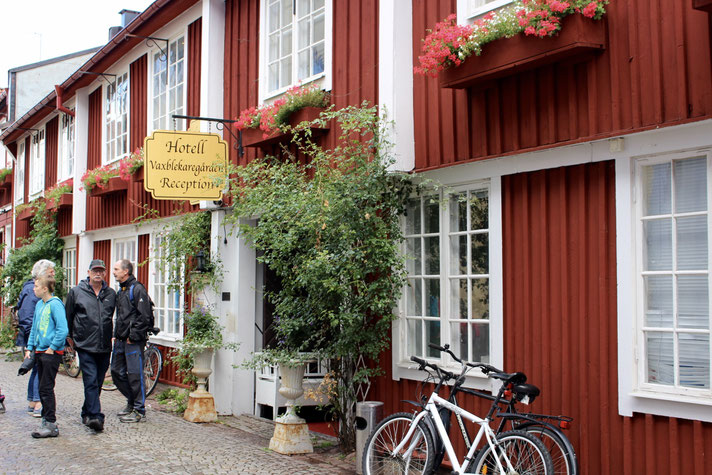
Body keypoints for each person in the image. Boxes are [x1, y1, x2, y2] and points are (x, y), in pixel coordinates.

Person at [65, 259, 116, 432]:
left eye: (101, 271)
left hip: (104, 345)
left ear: (104, 273)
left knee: (98, 381)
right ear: (88, 272)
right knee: (91, 380)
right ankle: (95, 416)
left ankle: (86, 411)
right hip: (85, 344)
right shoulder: (76, 292)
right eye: (95, 270)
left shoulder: (110, 294)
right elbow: (69, 316)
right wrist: (69, 339)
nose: (98, 273)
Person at [25, 275, 68, 438]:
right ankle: (46, 421)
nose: (33, 288)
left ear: (45, 289)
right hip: (39, 352)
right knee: (43, 388)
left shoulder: (55, 305)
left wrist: (52, 348)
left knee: (46, 388)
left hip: (51, 353)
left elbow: (62, 330)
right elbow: (34, 329)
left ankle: (50, 424)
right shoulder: (39, 305)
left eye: (36, 286)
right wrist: (30, 348)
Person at [111, 259, 152, 423]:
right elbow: (120, 316)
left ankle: (139, 409)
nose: (113, 272)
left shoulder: (137, 289)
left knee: (135, 375)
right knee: (115, 372)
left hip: (133, 341)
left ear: (125, 271)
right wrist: (116, 335)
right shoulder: (122, 290)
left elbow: (144, 316)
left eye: (116, 269)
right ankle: (131, 401)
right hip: (120, 340)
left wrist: (132, 336)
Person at [16, 259, 56, 418]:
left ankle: (33, 401)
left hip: (37, 336)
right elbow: (27, 317)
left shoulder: (38, 289)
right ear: (42, 273)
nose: (53, 273)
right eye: (50, 271)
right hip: (36, 338)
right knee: (41, 368)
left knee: (38, 368)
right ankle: (38, 401)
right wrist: (31, 343)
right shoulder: (33, 290)